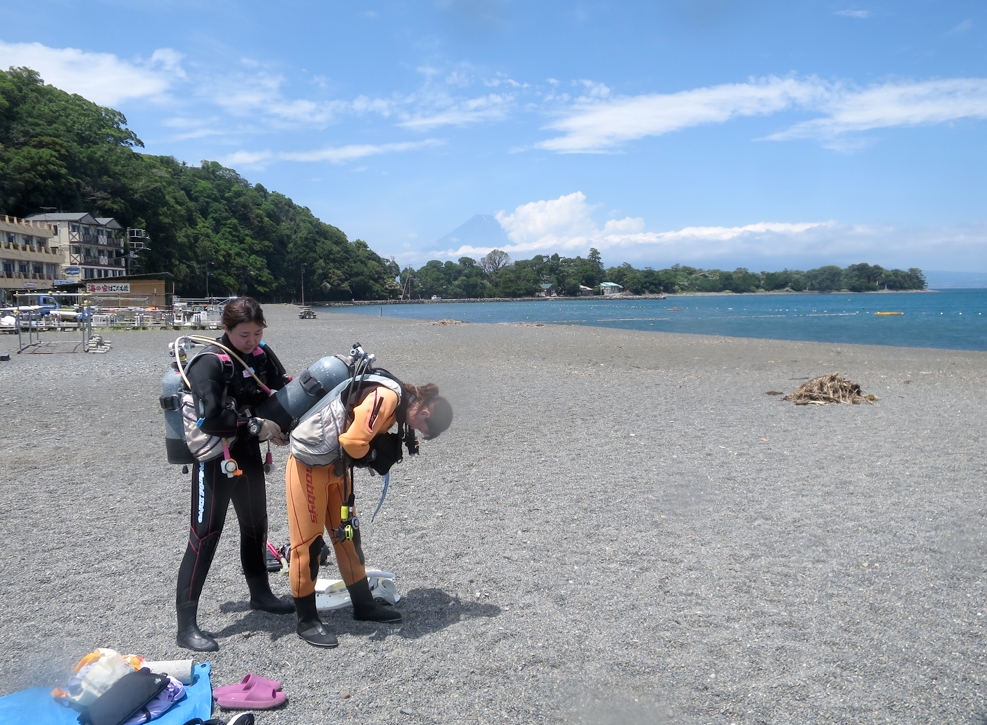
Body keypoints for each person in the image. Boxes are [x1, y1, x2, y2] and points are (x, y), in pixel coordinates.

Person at [285, 373, 453, 648]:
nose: (418, 432)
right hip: (307, 466)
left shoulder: (400, 405)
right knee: (309, 546)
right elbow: (353, 442)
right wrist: (373, 457)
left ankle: (363, 605)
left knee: (349, 537)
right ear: (424, 412)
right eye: (423, 428)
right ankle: (306, 621)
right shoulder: (387, 397)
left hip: (336, 468)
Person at [175, 297, 295, 652]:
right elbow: (209, 417)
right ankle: (186, 626)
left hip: (247, 454)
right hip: (214, 457)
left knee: (256, 525)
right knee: (205, 535)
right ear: (225, 330)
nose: (252, 340)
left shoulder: (260, 356)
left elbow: (283, 391)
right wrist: (254, 424)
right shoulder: (208, 363)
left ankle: (261, 594)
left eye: (258, 333)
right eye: (244, 334)